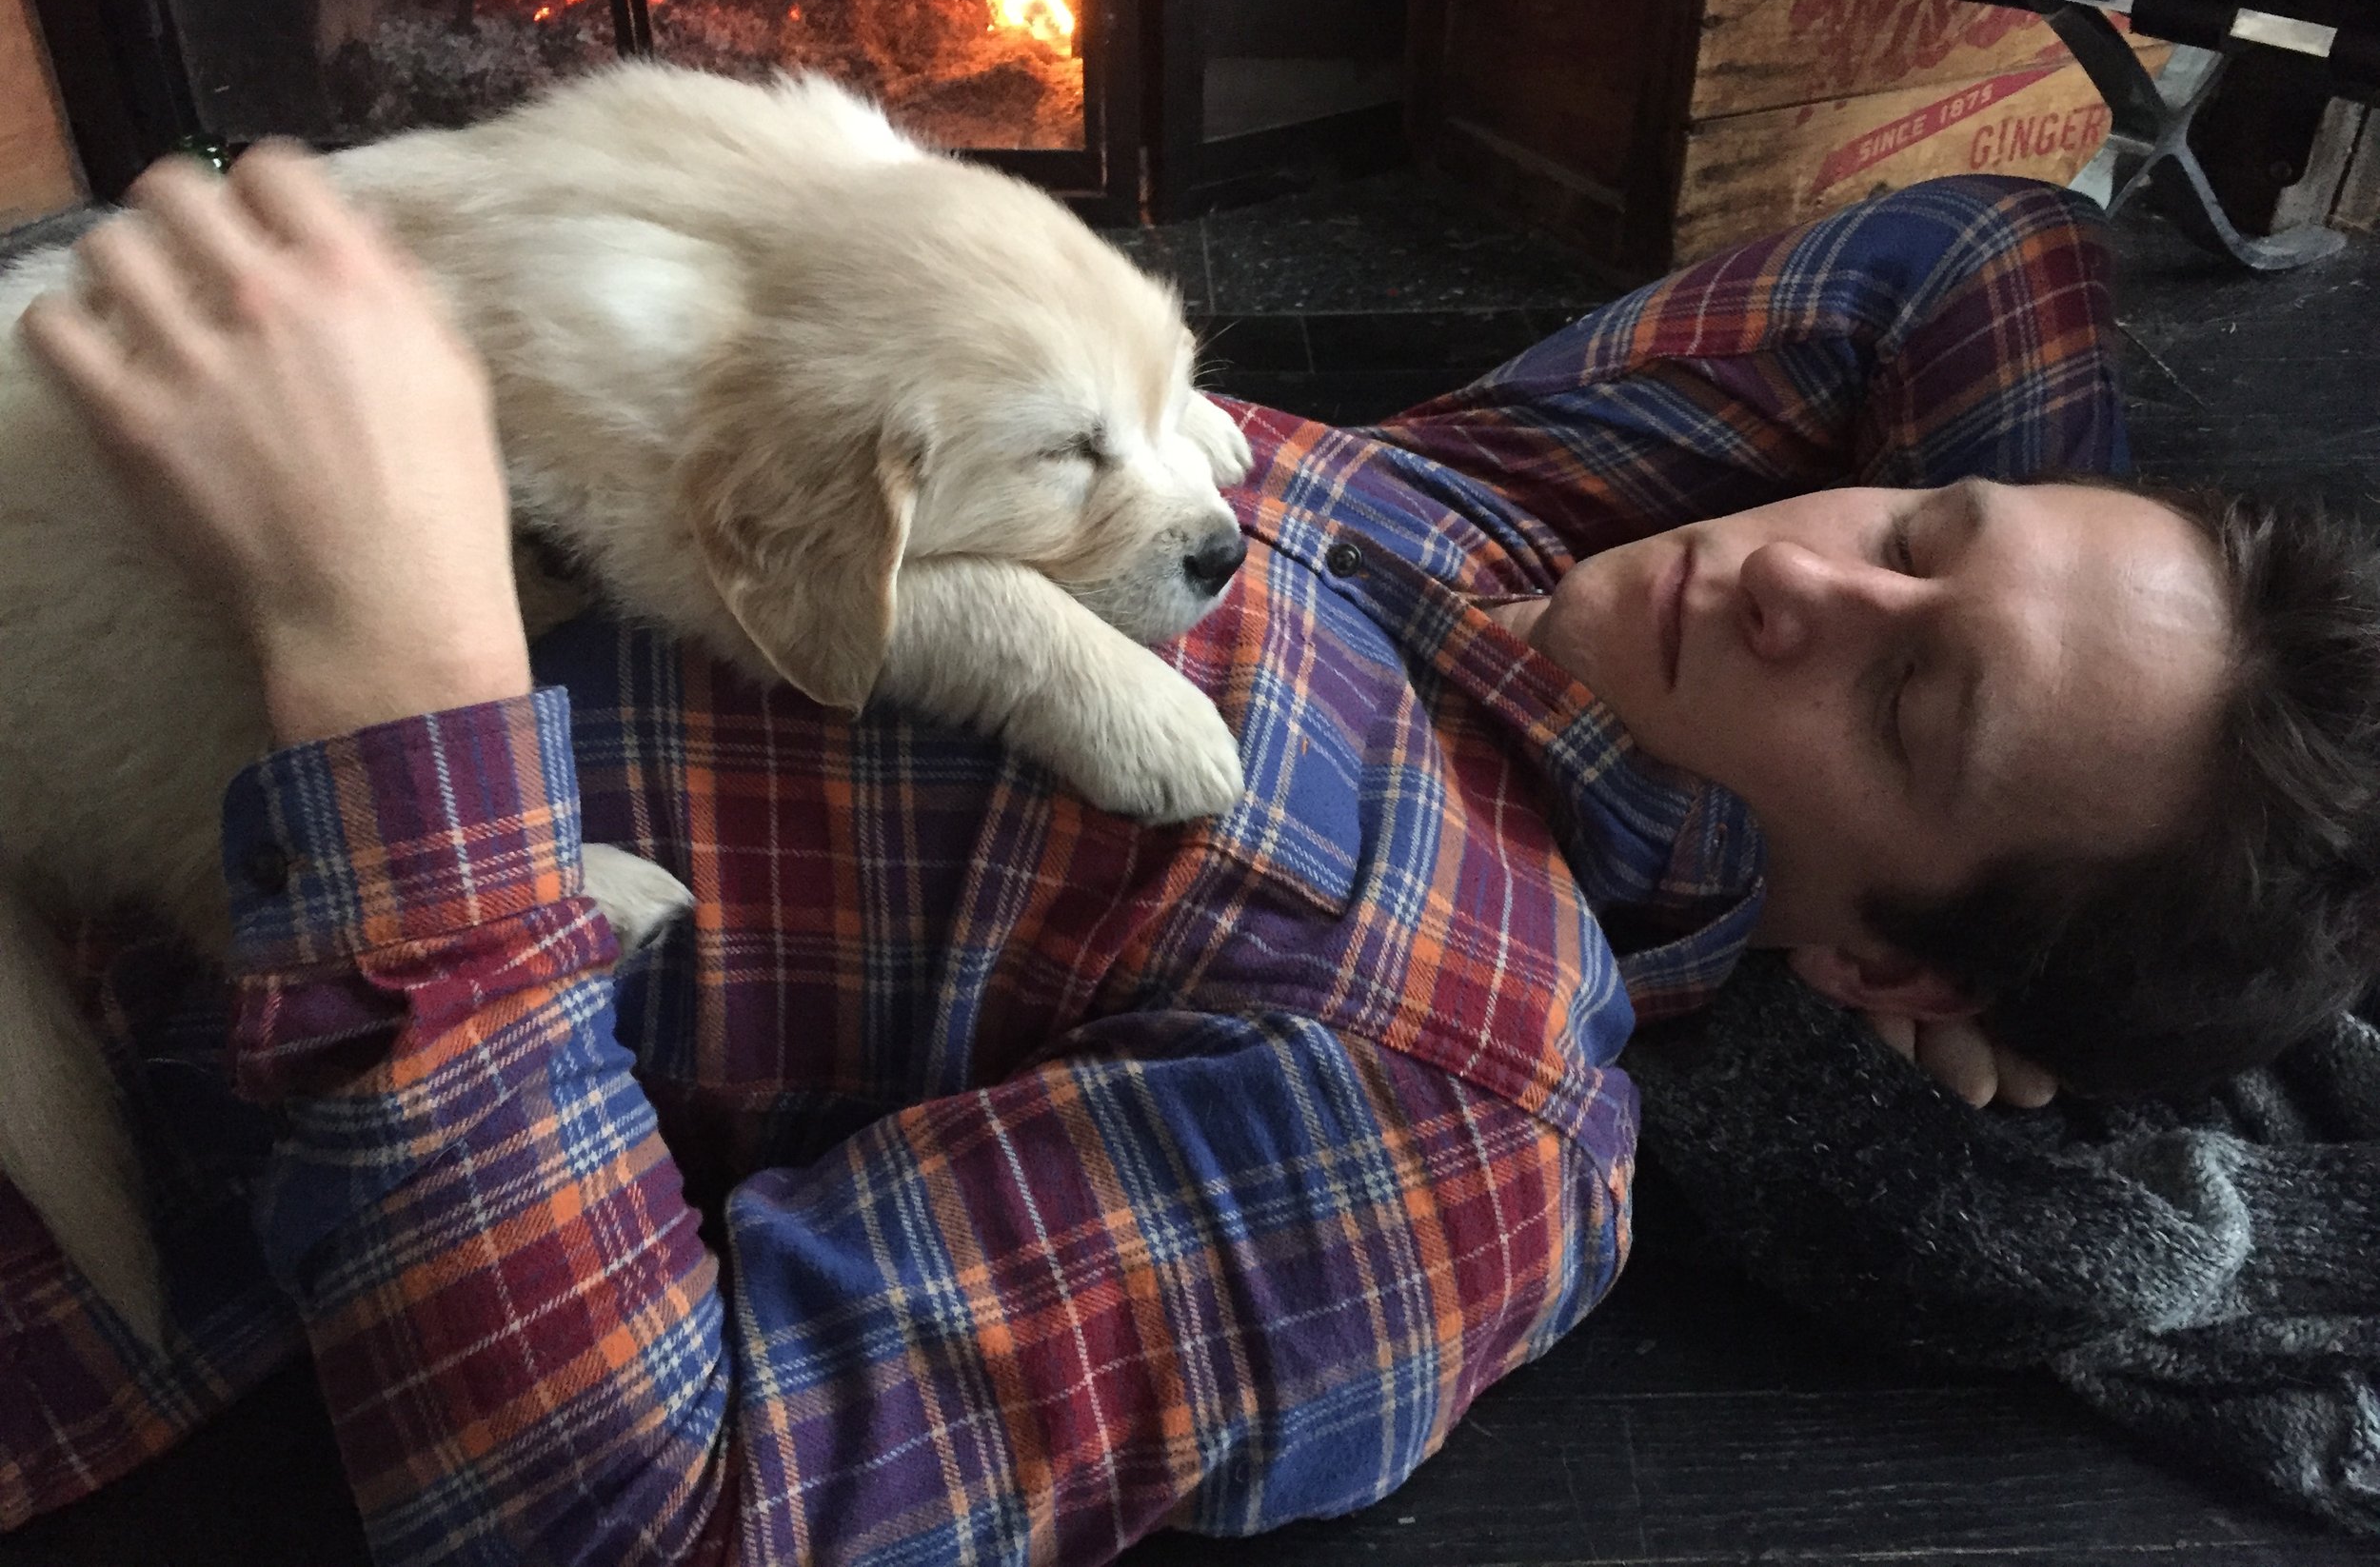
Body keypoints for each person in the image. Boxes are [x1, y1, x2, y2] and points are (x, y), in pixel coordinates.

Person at [4, 150, 2373, 1562]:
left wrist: (389, 657)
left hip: (88, 970)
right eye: (1926, 529)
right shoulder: (1539, 548)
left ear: (1887, 968)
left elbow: (651, 1508)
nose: (1800, 577)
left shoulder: (1469, 1131)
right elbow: (1979, 248)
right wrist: (2043, 759)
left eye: (1910, 706)